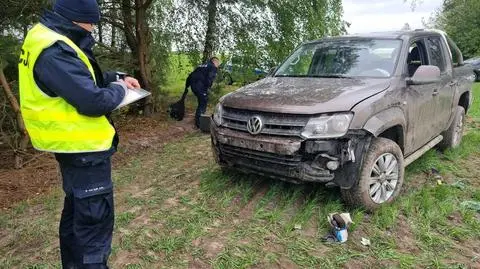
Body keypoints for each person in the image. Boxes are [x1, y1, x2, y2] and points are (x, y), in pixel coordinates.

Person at [18, 0, 140, 268]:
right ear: (75, 18)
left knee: (76, 220)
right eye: (91, 23)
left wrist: (116, 76)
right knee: (93, 230)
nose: (92, 29)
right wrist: (120, 90)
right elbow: (92, 101)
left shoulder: (47, 37)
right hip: (85, 151)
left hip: (72, 149)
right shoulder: (55, 51)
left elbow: (78, 76)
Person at [186, 57, 221, 128]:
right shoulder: (212, 67)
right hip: (200, 87)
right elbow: (210, 78)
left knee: (201, 102)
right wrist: (208, 87)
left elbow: (191, 75)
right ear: (215, 62)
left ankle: (198, 119)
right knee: (203, 103)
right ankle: (199, 124)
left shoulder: (201, 65)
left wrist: (187, 86)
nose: (218, 65)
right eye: (218, 63)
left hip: (193, 86)